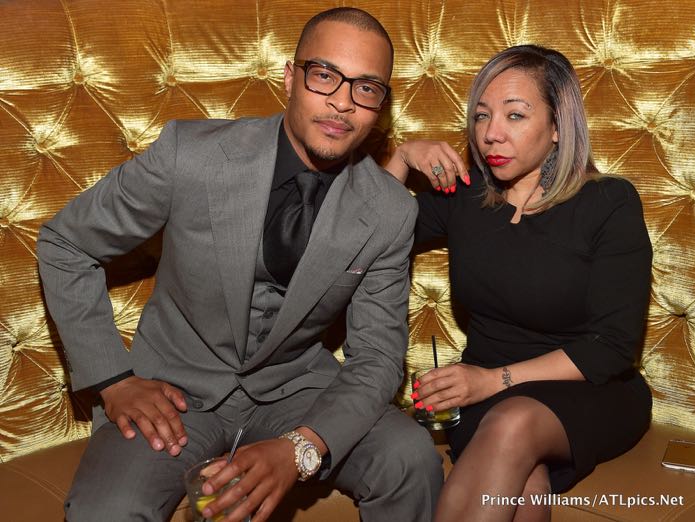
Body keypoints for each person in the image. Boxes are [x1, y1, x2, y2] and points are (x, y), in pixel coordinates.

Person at [37, 7, 443, 522]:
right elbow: (65, 243)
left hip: (296, 390)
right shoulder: (191, 155)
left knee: (410, 459)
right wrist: (113, 379)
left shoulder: (389, 209)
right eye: (324, 75)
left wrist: (301, 446)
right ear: (290, 78)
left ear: (380, 105)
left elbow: (379, 356)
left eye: (366, 88)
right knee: (106, 510)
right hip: (174, 392)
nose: (342, 102)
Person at [384, 45, 652, 522]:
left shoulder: (609, 203)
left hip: (590, 390)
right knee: (528, 486)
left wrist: (491, 381)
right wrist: (402, 157)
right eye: (481, 115)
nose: (491, 133)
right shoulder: (466, 196)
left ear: (557, 126)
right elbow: (368, 235)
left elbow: (612, 347)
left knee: (513, 421)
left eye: (515, 115)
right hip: (482, 394)